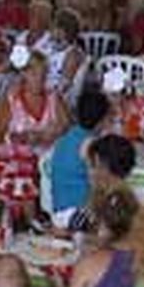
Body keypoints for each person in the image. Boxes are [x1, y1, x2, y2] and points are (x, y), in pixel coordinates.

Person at [0, 50, 69, 221]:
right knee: (19, 168)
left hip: (47, 157)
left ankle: (41, 220)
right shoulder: (11, 100)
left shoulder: (54, 98)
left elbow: (67, 130)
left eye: (43, 73)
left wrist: (50, 135)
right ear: (23, 73)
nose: (39, 78)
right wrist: (15, 141)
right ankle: (26, 221)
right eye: (34, 73)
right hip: (16, 158)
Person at [49, 88, 111, 224]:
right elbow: (100, 185)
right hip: (77, 214)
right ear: (102, 120)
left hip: (58, 210)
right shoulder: (90, 144)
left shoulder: (66, 138)